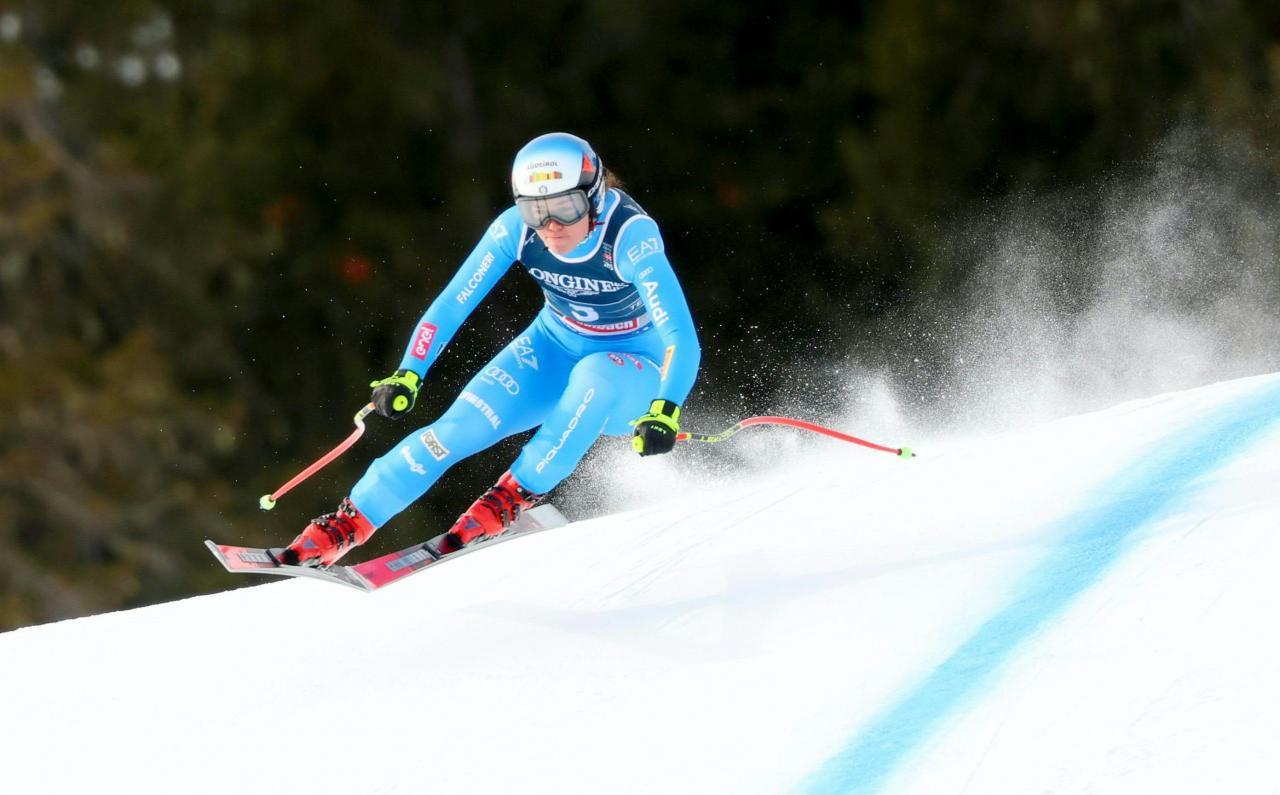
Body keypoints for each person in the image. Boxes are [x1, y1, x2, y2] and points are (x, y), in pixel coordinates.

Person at [279, 132, 701, 566]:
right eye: (535, 210)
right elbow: (453, 302)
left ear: (594, 198)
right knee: (457, 430)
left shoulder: (630, 237)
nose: (551, 224)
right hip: (553, 348)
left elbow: (680, 338)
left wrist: (666, 407)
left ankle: (511, 497)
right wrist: (409, 372)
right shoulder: (514, 231)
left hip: (634, 373)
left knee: (595, 373)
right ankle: (346, 524)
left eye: (565, 207)